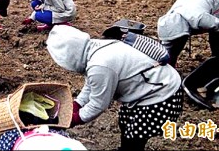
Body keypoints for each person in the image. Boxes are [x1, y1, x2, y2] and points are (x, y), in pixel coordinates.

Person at [46, 25, 183, 151]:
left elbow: (98, 104)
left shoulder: (99, 65)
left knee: (135, 134)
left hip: (162, 95)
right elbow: (92, 84)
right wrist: (77, 104)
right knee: (125, 122)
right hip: (148, 88)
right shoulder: (95, 48)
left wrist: (74, 119)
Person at [157, 0, 219, 67]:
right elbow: (168, 49)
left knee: (216, 34)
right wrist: (166, 64)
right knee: (175, 47)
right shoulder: (167, 22)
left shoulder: (199, 18)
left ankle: (218, 63)